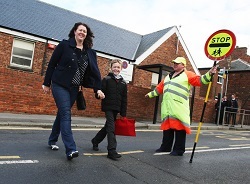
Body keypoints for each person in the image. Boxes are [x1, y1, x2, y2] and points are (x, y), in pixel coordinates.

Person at [42, 22, 105, 160]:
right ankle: (71, 149)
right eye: (80, 30)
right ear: (75, 32)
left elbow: (95, 73)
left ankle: (52, 140)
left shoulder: (90, 52)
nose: (82, 32)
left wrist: (98, 89)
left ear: (86, 35)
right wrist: (46, 83)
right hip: (59, 85)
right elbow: (52, 64)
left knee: (62, 114)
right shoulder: (64, 45)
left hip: (74, 88)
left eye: (85, 31)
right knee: (66, 113)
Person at [145, 57, 217, 156]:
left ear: (183, 65)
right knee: (167, 129)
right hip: (167, 108)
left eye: (177, 63)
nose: (174, 64)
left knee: (179, 129)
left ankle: (179, 150)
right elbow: (159, 88)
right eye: (174, 63)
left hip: (179, 108)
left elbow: (200, 81)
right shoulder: (168, 76)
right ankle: (166, 147)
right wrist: (150, 94)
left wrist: (210, 73)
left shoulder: (187, 74)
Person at [91, 59, 127, 160]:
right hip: (108, 107)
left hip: (116, 108)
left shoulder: (123, 83)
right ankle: (111, 151)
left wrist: (123, 113)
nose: (116, 69)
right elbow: (99, 93)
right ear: (111, 68)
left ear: (121, 69)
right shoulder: (106, 79)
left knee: (107, 127)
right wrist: (99, 95)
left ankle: (95, 141)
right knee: (111, 128)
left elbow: (124, 99)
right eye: (114, 67)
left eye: (118, 67)